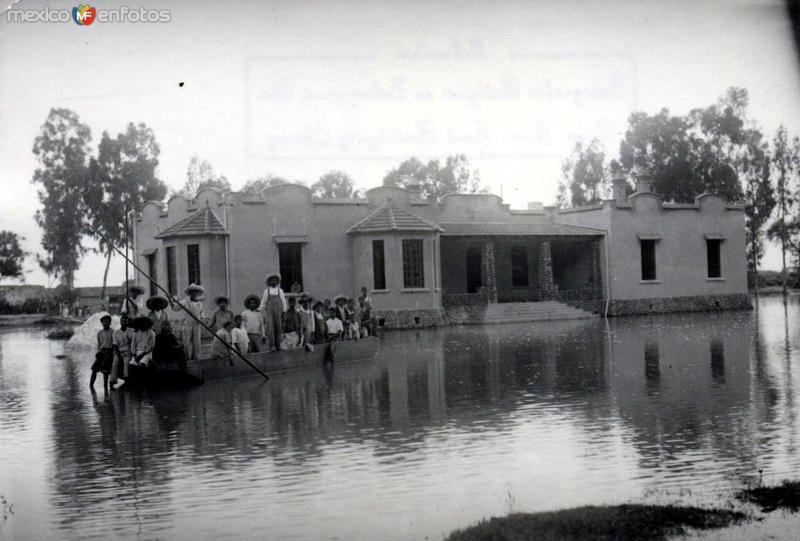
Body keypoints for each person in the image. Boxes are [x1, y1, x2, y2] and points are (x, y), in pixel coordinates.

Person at [172, 284, 205, 362]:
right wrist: (171, 300)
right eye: (192, 292)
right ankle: (187, 358)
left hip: (197, 324)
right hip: (187, 323)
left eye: (195, 292)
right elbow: (175, 308)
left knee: (196, 342)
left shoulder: (199, 303)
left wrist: (202, 319)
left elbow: (202, 313)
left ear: (197, 293)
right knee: (186, 342)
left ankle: (196, 358)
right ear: (189, 293)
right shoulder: (184, 302)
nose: (194, 294)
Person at [260, 273, 287, 351]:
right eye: (272, 280)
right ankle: (272, 345)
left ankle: (278, 344)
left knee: (279, 328)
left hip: (278, 313)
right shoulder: (266, 291)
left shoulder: (280, 291)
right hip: (270, 313)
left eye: (275, 280)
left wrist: (284, 312)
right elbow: (263, 302)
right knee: (270, 328)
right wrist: (260, 311)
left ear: (277, 282)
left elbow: (284, 302)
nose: (273, 281)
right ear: (269, 282)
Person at [90, 314, 114, 390]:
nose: (105, 323)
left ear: (110, 323)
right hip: (101, 352)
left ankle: (105, 387)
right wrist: (97, 353)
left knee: (105, 370)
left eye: (107, 322)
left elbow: (115, 344)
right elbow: (99, 345)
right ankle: (91, 386)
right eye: (104, 322)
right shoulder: (99, 333)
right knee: (94, 368)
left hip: (109, 351)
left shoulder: (113, 332)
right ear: (102, 323)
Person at [110, 314, 134, 389]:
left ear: (128, 322)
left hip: (128, 351)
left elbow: (133, 343)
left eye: (126, 321)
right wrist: (118, 354)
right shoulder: (116, 332)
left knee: (126, 362)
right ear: (120, 322)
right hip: (118, 351)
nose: (124, 322)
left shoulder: (132, 331)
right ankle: (112, 381)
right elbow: (115, 345)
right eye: (122, 321)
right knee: (114, 363)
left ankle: (126, 380)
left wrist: (131, 352)